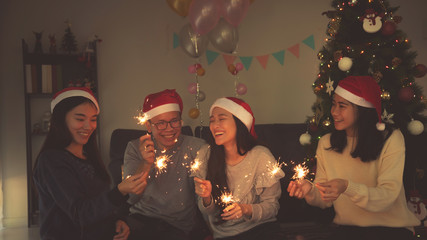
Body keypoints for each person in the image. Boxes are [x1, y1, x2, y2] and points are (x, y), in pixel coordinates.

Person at [287, 76, 420, 240]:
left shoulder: (391, 138)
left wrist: (347, 187)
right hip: (349, 230)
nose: (334, 112)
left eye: (342, 106)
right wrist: (310, 191)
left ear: (362, 109)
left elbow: (387, 196)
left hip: (391, 229)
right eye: (334, 104)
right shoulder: (327, 143)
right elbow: (325, 199)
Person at [33, 87, 147, 240]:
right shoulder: (51, 160)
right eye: (80, 119)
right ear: (61, 120)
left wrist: (117, 220)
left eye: (93, 119)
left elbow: (98, 203)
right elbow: (81, 213)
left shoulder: (89, 157)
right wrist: (119, 190)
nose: (89, 126)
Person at [191, 97, 285, 240]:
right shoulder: (205, 155)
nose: (215, 126)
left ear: (239, 123)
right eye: (212, 120)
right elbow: (207, 211)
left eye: (221, 119)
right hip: (225, 236)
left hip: (261, 230)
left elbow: (272, 207)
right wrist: (206, 198)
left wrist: (245, 209)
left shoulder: (261, 156)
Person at [123, 89, 207, 240]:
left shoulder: (197, 147)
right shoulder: (135, 147)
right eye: (161, 123)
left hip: (178, 227)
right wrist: (146, 163)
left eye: (174, 121)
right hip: (140, 220)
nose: (169, 128)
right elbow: (131, 197)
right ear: (149, 126)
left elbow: (203, 198)